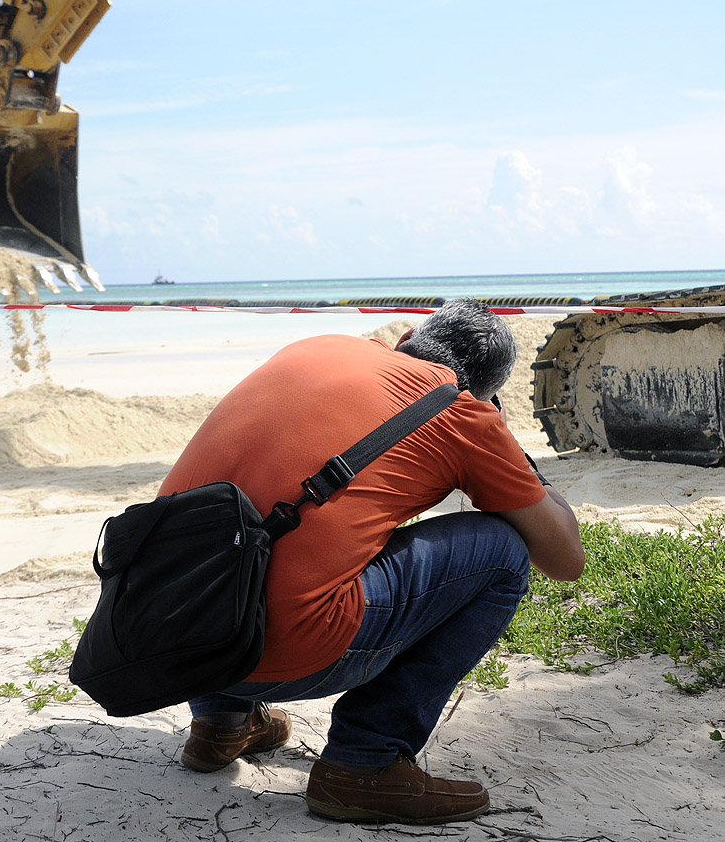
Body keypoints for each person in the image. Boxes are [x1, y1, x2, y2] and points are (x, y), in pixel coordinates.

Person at [157, 298, 585, 825]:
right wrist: (506, 447)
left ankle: (221, 722)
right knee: (503, 551)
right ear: (480, 394)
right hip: (282, 654)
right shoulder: (463, 413)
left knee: (264, 519)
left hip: (166, 632)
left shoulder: (316, 348)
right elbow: (565, 559)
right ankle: (365, 761)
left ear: (407, 341)